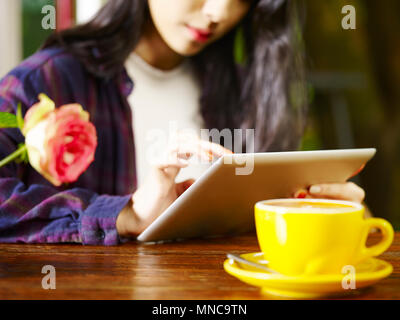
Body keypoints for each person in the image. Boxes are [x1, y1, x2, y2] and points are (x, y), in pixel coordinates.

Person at [0, 0, 365, 245]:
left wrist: (326, 217)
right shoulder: (47, 80)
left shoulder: (242, 93)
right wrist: (125, 216)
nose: (218, 12)